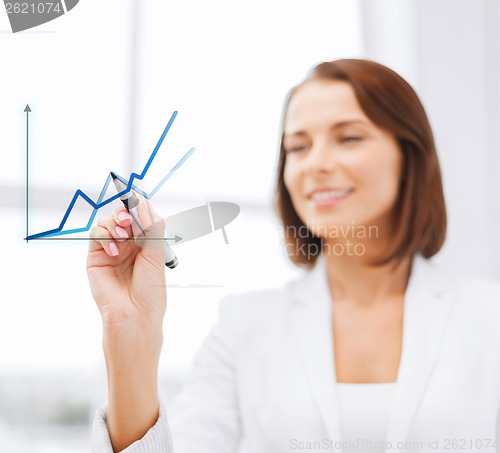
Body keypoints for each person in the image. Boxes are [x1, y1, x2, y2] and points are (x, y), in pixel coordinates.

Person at [87, 59, 500, 453]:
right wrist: (130, 332)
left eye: (349, 137)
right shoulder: (244, 327)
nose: (315, 164)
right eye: (298, 147)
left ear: (410, 158)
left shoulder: (488, 317)